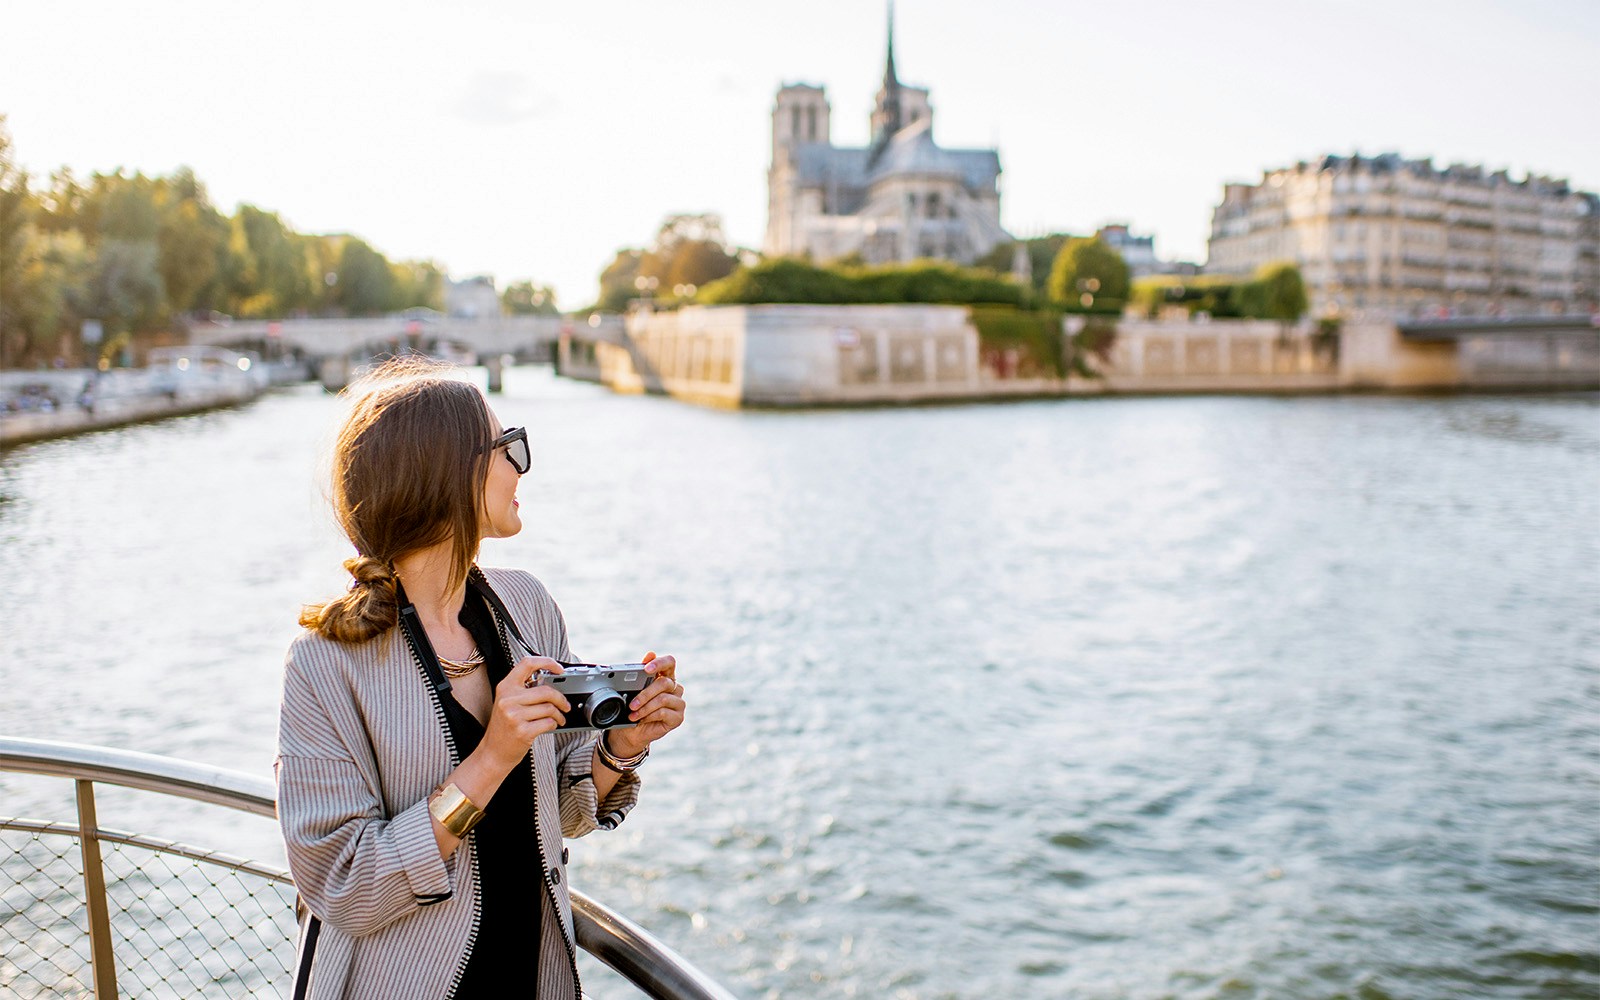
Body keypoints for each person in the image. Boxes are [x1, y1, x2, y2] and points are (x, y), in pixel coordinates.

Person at [276, 358, 686, 999]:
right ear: (448, 473)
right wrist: (491, 757)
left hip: (532, 977)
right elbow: (343, 886)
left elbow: (567, 813)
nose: (522, 465)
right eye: (507, 448)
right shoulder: (326, 662)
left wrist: (617, 747)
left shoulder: (527, 607)